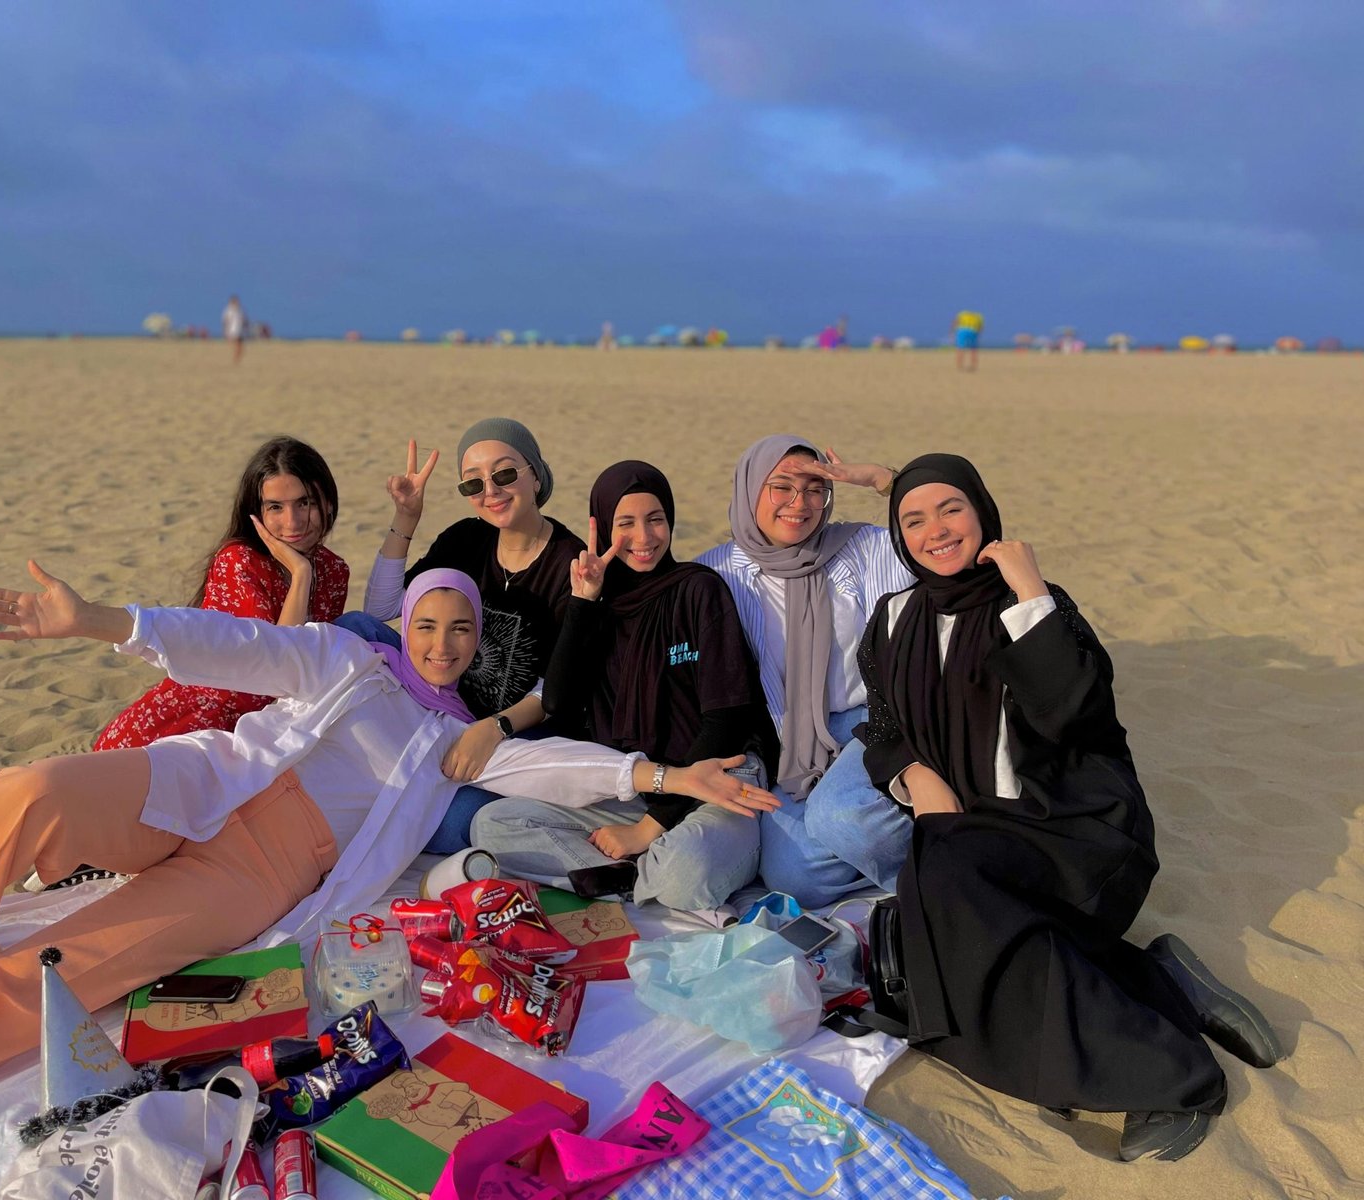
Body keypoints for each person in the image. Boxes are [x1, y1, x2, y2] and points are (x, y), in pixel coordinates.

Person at [0, 565, 770, 1150]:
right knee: (25, 797)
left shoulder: (458, 745)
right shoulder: (343, 662)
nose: (440, 643)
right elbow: (234, 647)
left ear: (478, 644)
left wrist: (672, 780)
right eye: (427, 623)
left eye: (460, 630)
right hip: (192, 788)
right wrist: (101, 621)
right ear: (404, 628)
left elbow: (558, 765)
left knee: (56, 974)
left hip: (256, 875)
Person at [857, 453, 1280, 1163]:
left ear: (984, 514)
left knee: (949, 894)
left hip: (1075, 828)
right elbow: (881, 726)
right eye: (914, 518)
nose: (935, 530)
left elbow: (1074, 716)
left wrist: (1028, 593)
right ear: (899, 538)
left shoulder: (1034, 604)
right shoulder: (892, 618)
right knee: (936, 918)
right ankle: (1161, 979)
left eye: (951, 509)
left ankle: (1170, 1080)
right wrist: (914, 778)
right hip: (970, 831)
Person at [472, 461, 781, 911]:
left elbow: (727, 720)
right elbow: (557, 701)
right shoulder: (599, 603)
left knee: (684, 873)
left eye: (655, 519)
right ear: (602, 527)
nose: (644, 538)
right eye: (626, 524)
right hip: (635, 785)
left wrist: (645, 831)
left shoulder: (698, 590)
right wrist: (582, 603)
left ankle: (629, 871)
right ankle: (632, 875)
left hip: (717, 780)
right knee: (493, 824)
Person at [696, 435, 914, 906]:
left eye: (815, 488)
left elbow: (932, 539)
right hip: (793, 740)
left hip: (873, 720)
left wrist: (887, 482)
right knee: (794, 877)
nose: (801, 504)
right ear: (750, 488)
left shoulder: (861, 548)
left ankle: (949, 874)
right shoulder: (718, 574)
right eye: (782, 487)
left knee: (842, 818)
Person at [355, 419, 586, 851]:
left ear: (535, 475)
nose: (490, 491)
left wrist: (493, 728)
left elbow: (558, 687)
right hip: (441, 706)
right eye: (472, 484)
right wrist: (406, 517)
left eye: (504, 474)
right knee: (354, 629)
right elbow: (383, 609)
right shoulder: (466, 539)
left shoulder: (570, 564)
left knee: (453, 826)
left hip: (513, 732)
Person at [94, 436, 350, 750]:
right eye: (275, 507)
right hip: (205, 722)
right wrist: (300, 575)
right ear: (256, 514)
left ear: (328, 502)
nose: (292, 522)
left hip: (280, 722)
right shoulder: (239, 561)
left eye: (305, 502)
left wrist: (404, 520)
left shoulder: (333, 569)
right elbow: (274, 667)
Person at [222, 294, 248, 364]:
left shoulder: (240, 310)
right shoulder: (228, 311)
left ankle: (236, 360)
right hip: (232, 331)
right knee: (237, 346)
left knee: (241, 348)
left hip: (240, 331)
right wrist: (225, 331)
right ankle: (235, 361)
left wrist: (246, 328)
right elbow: (225, 321)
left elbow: (244, 320)